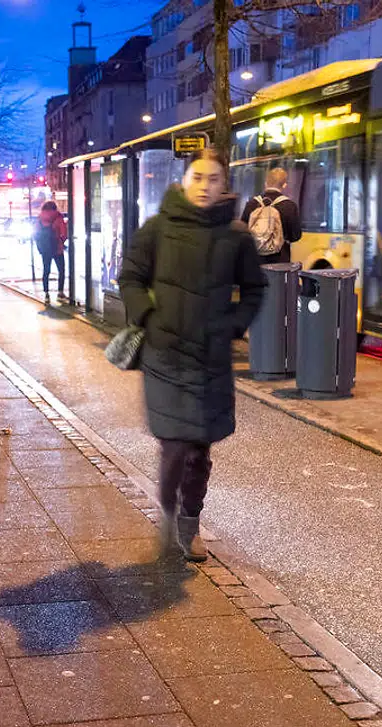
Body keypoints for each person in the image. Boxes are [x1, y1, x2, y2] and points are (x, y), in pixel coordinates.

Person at [118, 148, 266, 561]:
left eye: (213, 179)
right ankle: (168, 519)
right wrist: (146, 314)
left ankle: (190, 523)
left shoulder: (236, 236)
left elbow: (255, 289)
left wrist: (234, 324)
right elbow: (130, 276)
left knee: (199, 452)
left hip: (210, 359)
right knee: (175, 447)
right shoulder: (157, 229)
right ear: (184, 180)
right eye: (197, 177)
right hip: (164, 355)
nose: (204, 185)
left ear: (224, 185)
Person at [241, 167, 302, 264]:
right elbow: (295, 236)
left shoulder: (251, 204)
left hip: (255, 261)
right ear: (284, 185)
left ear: (266, 183)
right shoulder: (290, 206)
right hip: (280, 262)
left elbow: (243, 232)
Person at [35, 200, 68, 301]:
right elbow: (64, 232)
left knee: (46, 270)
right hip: (57, 249)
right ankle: (60, 292)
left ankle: (46, 294)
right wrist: (61, 242)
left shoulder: (40, 218)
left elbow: (36, 234)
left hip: (45, 249)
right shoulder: (58, 217)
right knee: (61, 270)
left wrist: (40, 247)